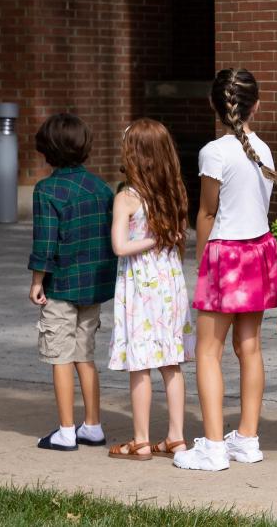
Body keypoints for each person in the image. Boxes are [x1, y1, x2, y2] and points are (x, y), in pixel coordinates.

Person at [174, 68, 277, 472]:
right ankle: (248, 438)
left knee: (208, 352)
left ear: (213, 105)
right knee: (250, 348)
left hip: (226, 254)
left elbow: (205, 211)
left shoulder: (214, 152)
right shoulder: (264, 151)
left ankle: (215, 445)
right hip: (259, 250)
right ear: (257, 104)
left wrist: (202, 261)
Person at [28, 113, 117, 451]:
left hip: (62, 286)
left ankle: (66, 431)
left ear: (48, 150)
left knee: (60, 355)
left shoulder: (47, 190)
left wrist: (38, 281)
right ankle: (92, 425)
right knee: (85, 355)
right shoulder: (100, 188)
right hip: (93, 287)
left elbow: (45, 244)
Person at [107, 119, 195, 460]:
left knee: (140, 363)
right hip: (170, 284)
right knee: (171, 362)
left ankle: (141, 440)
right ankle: (176, 436)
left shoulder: (127, 197)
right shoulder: (174, 192)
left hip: (141, 285)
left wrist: (147, 239)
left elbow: (119, 246)